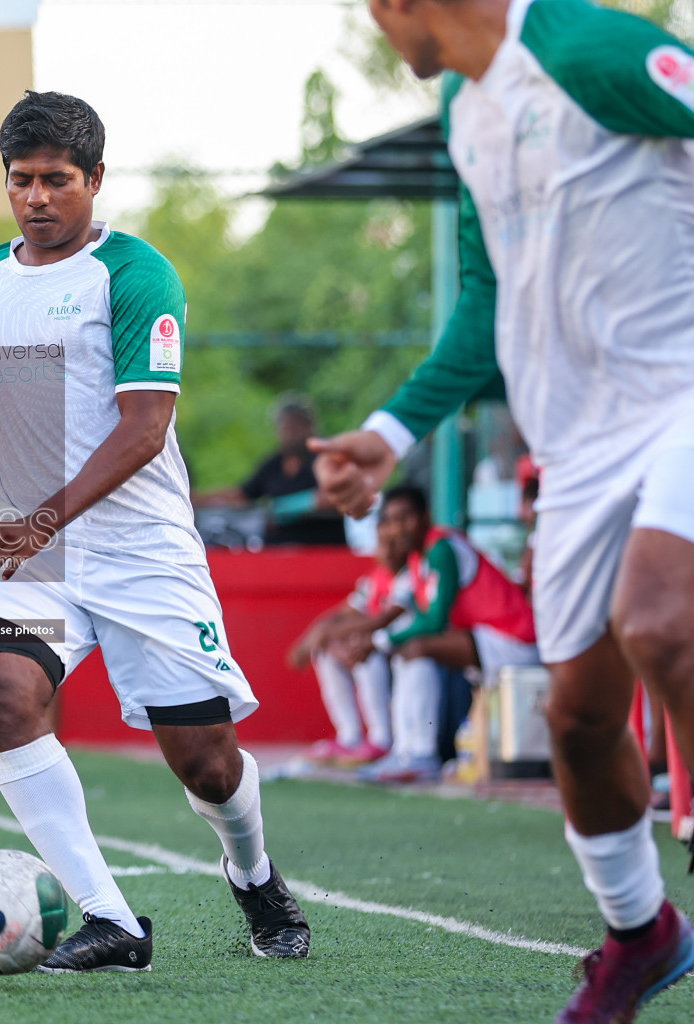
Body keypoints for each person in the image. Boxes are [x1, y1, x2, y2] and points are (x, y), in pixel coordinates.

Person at [313, 2, 694, 1017]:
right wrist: (389, 433)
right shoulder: (464, 110)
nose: (377, 28)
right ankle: (642, 931)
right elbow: (485, 301)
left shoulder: (589, 49)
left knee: (663, 623)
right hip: (573, 450)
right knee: (576, 721)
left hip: (683, 397)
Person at [0, 90, 309, 971]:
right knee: (0, 695)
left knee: (207, 763)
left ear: (95, 180)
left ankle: (254, 873)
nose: (38, 197)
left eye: (57, 180)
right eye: (22, 181)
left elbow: (143, 428)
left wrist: (40, 516)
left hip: (141, 551)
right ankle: (111, 917)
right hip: (28, 554)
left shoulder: (137, 273)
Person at [346, 487, 537, 783]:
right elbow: (406, 614)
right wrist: (378, 640)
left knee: (418, 646)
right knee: (406, 648)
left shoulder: (442, 548)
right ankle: (404, 750)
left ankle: (423, 755)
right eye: (391, 520)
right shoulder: (416, 559)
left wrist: (380, 640)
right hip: (489, 638)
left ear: (426, 518)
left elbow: (435, 621)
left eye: (406, 518)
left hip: (516, 640)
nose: (398, 528)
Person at [287, 521, 402, 765]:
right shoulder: (375, 579)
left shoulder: (409, 576)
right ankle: (349, 737)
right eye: (382, 544)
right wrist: (312, 637)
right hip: (382, 648)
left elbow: (380, 620)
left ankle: (381, 738)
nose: (388, 550)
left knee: (362, 648)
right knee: (327, 651)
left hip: (401, 649)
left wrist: (327, 633)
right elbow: (342, 613)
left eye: (395, 544)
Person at [196, 395, 345, 546]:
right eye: (285, 426)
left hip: (323, 548)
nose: (289, 433)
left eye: (295, 426)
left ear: (309, 427)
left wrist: (286, 507)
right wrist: (196, 499)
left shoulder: (325, 458)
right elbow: (242, 495)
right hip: (278, 551)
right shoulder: (273, 464)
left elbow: (336, 496)